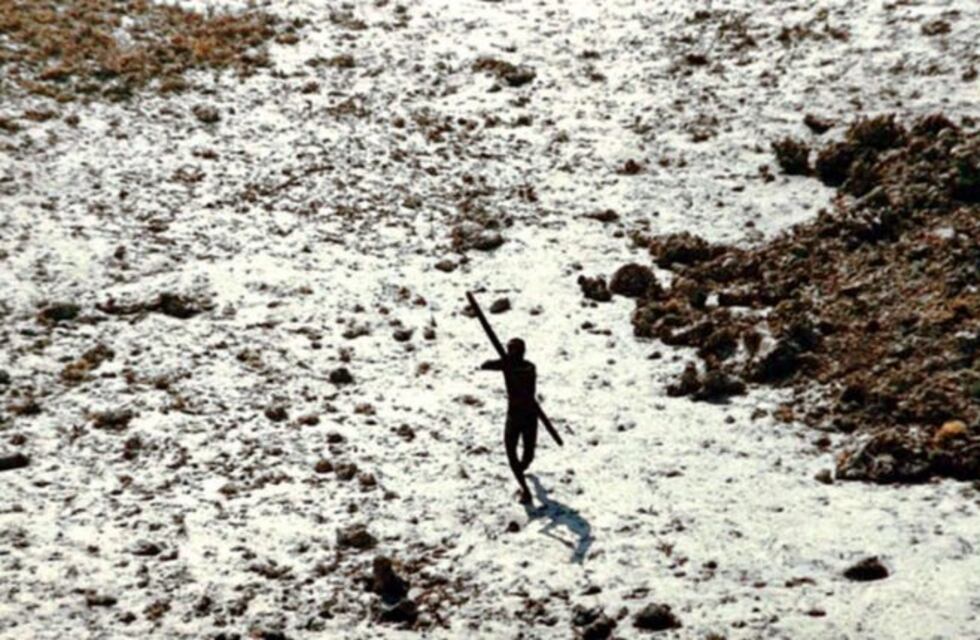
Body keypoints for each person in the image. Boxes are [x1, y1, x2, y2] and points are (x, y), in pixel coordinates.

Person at [480, 337, 538, 504]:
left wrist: (504, 362)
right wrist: (504, 362)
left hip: (522, 415)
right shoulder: (519, 366)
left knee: (525, 455)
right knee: (513, 452)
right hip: (524, 415)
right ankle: (525, 489)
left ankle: (520, 471)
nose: (508, 353)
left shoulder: (526, 368)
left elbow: (489, 365)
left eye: (511, 350)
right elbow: (486, 365)